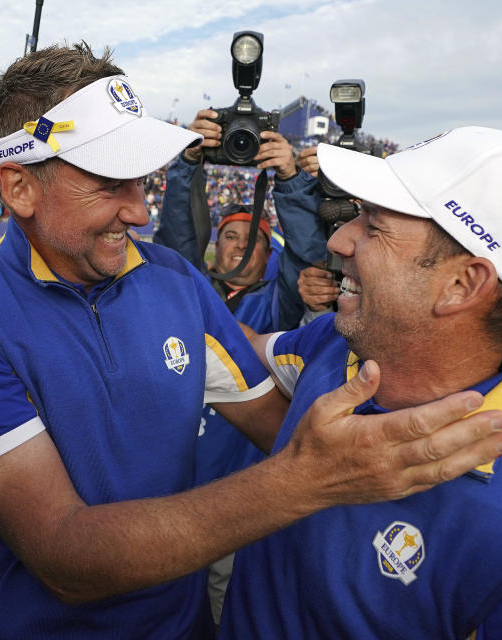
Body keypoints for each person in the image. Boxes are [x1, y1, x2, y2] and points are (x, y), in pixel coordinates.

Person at [0, 44, 502, 639]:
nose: (139, 211)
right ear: (18, 187)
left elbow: (282, 431)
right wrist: (303, 482)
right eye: (111, 184)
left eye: (141, 181)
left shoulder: (174, 280)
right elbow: (65, 556)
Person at [220, 127, 502, 639]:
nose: (338, 240)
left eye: (373, 227)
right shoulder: (339, 346)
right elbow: (239, 347)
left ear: (462, 285)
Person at [153, 109, 328, 622]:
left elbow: (306, 256)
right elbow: (177, 243)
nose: (238, 245)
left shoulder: (279, 306)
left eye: (251, 237)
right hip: (168, 497)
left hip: (239, 503)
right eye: (229, 235)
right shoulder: (191, 292)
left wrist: (291, 181)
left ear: (266, 251)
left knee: (228, 615)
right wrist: (187, 164)